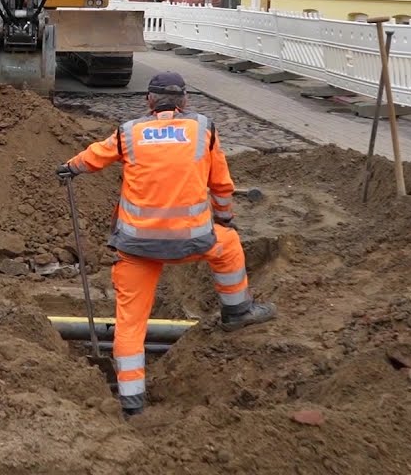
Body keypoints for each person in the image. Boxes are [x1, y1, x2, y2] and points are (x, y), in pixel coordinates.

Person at [56, 71, 277, 418]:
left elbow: (95, 157)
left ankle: (131, 404)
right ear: (185, 101)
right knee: (229, 244)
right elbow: (221, 185)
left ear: (149, 101)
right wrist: (223, 218)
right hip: (193, 241)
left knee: (130, 324)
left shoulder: (129, 132)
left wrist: (70, 168)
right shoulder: (204, 129)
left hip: (136, 249)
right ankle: (237, 311)